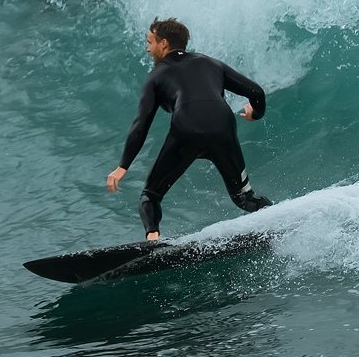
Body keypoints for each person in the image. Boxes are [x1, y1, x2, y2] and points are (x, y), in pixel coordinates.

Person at [107, 17, 272, 240]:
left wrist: (122, 166)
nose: (148, 48)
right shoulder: (211, 63)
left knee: (150, 196)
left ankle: (153, 242)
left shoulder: (157, 75)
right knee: (244, 198)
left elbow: (141, 124)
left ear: (163, 44)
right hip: (222, 126)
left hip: (187, 128)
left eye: (150, 42)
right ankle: (276, 220)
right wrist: (255, 114)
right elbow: (257, 92)